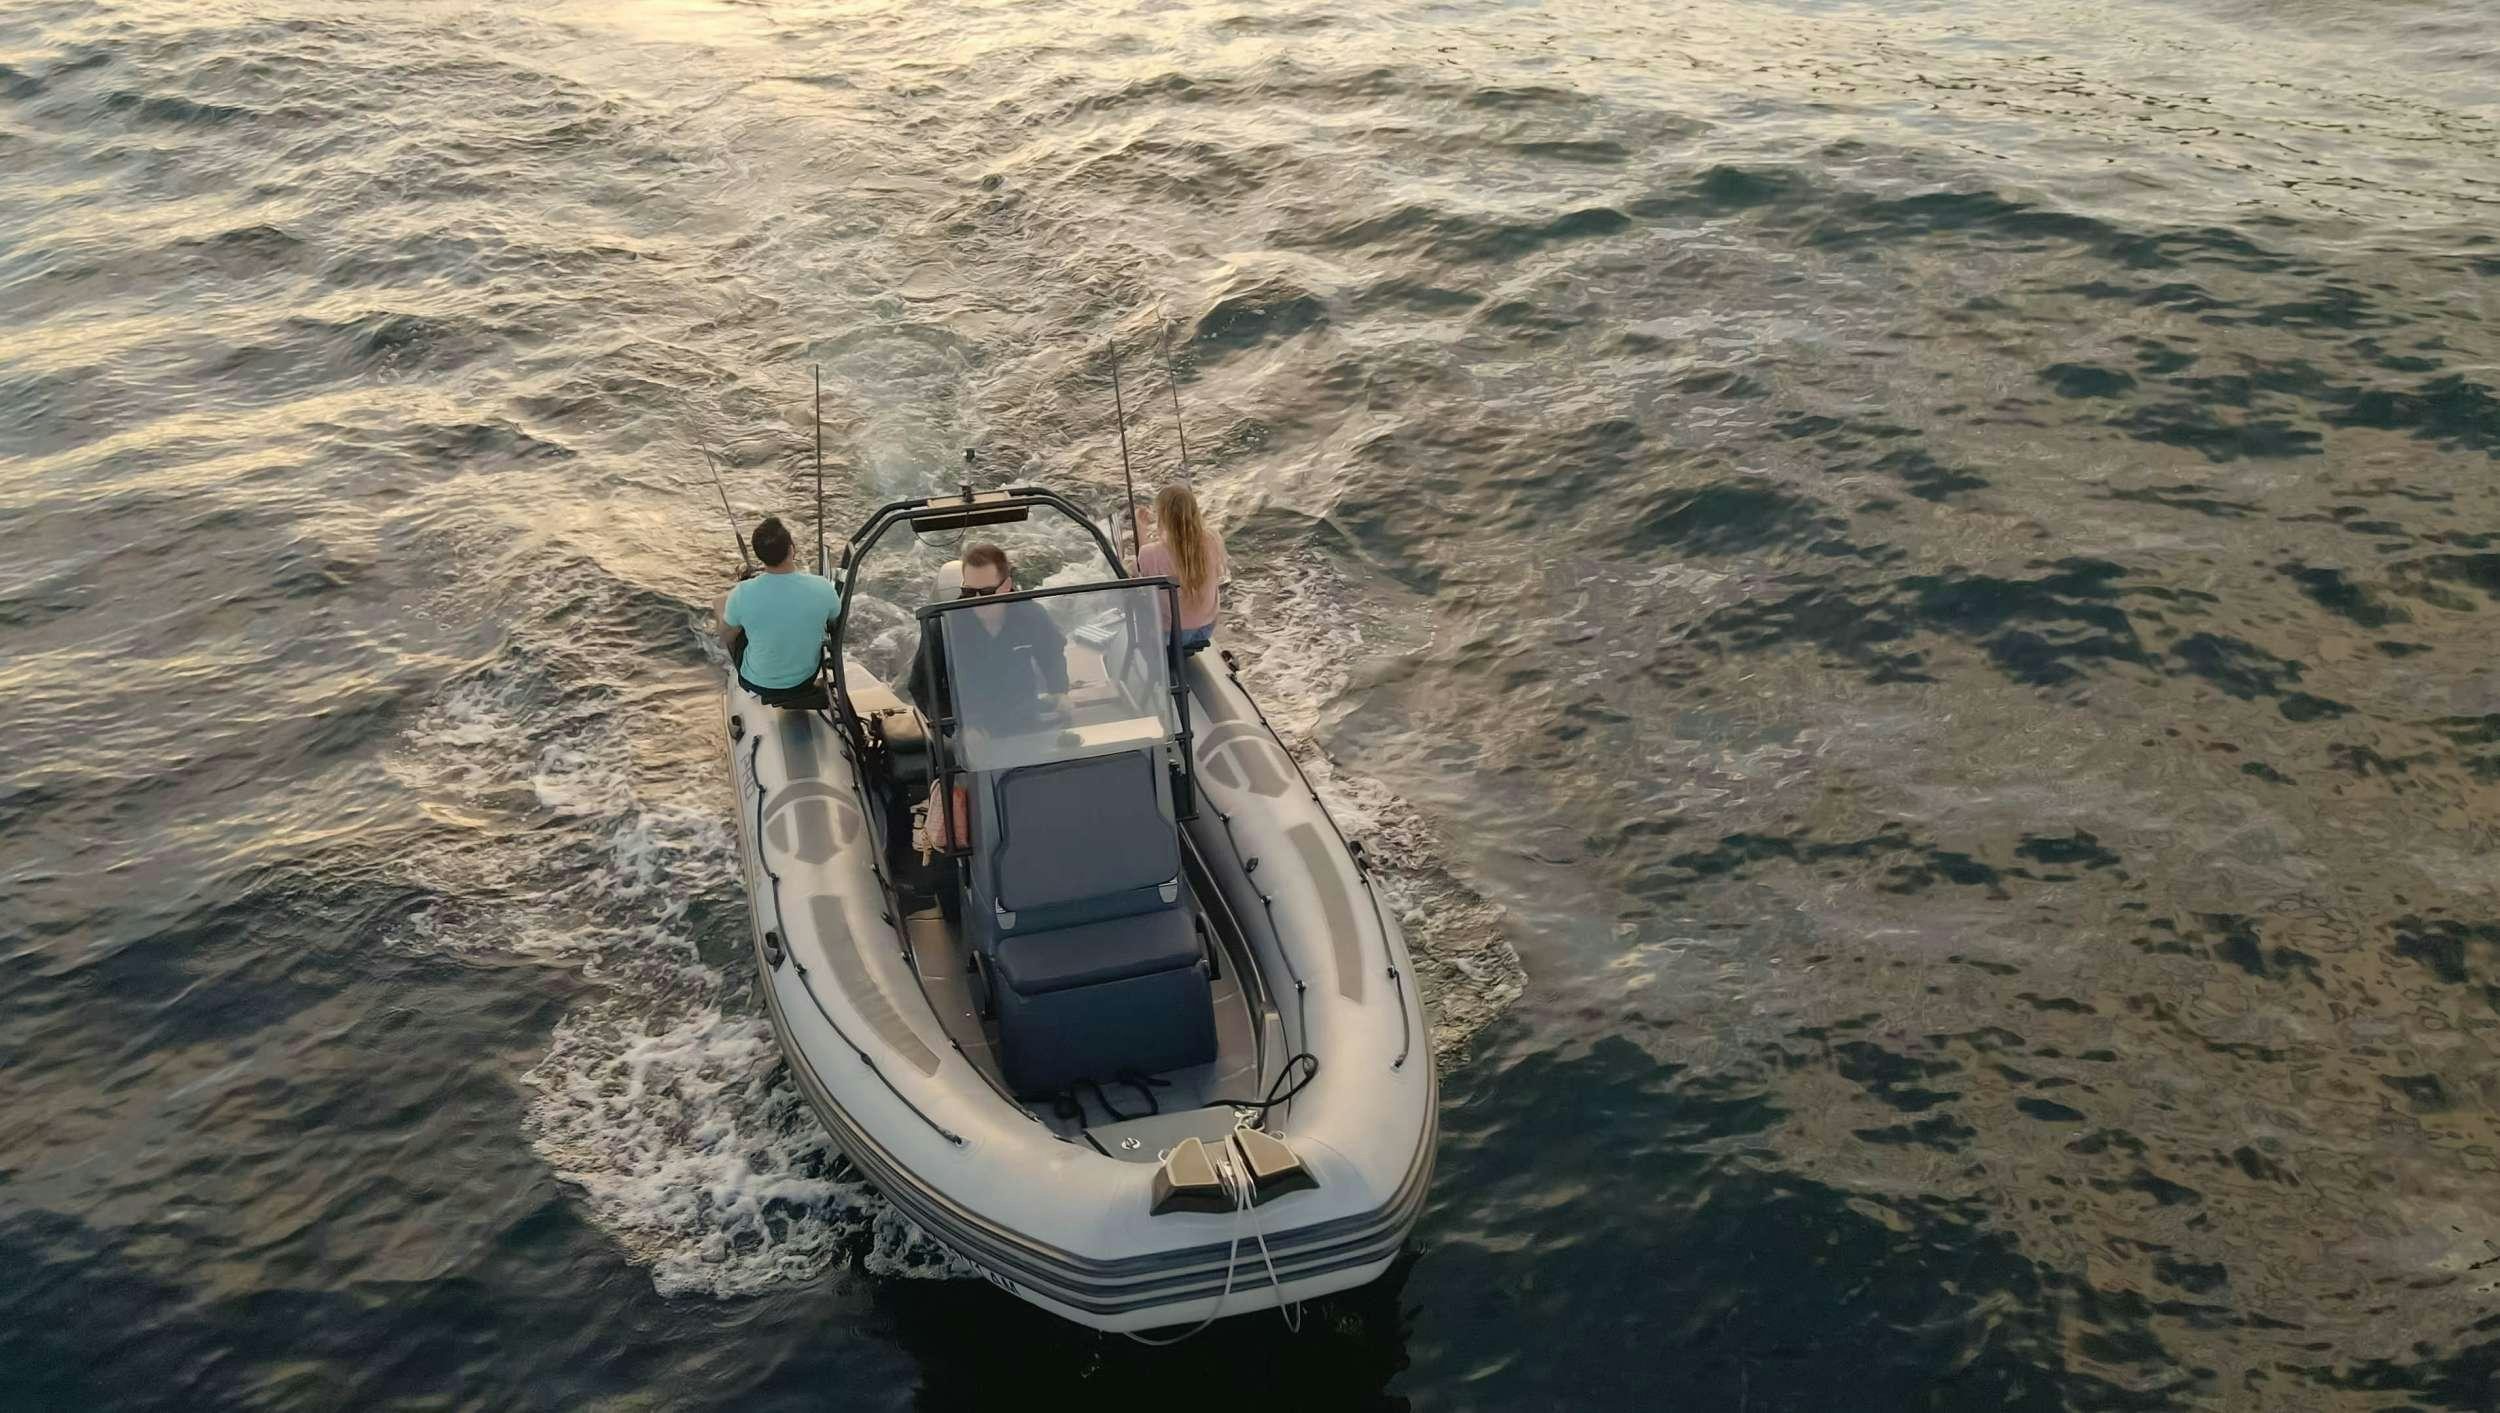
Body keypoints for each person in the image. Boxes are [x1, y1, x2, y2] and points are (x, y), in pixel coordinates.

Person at [907, 542, 1069, 724]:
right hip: (971, 729)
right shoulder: (943, 626)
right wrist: (956, 727)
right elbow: (921, 685)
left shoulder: (1031, 614)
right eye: (969, 591)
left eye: (986, 592)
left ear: (1006, 585)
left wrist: (1060, 691)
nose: (977, 600)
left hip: (1025, 718)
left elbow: (1052, 654)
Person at [716, 516, 842, 697]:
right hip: (804, 679)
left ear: (760, 556)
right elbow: (834, 618)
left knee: (721, 605)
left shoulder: (742, 592)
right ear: (792, 549)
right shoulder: (823, 587)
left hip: (758, 683)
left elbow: (726, 636)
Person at [1134, 484, 1225, 652]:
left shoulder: (1150, 553)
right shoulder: (1213, 539)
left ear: (1162, 516)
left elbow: (1143, 573)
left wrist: (1141, 529)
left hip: (1170, 636)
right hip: (1205, 629)